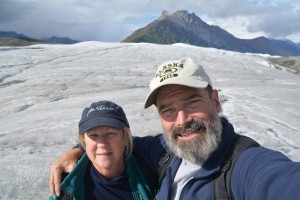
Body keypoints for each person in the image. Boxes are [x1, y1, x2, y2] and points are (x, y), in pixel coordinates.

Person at [50, 58, 300, 199]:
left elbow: (280, 182)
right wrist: (76, 152)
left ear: (215, 101)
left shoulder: (245, 166)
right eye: (167, 109)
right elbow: (110, 143)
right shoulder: (166, 151)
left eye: (192, 101)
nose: (182, 120)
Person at [49, 100, 156, 200]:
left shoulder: (149, 168)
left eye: (110, 134)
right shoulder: (66, 183)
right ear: (84, 141)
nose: (102, 143)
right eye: (93, 135)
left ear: (125, 137)